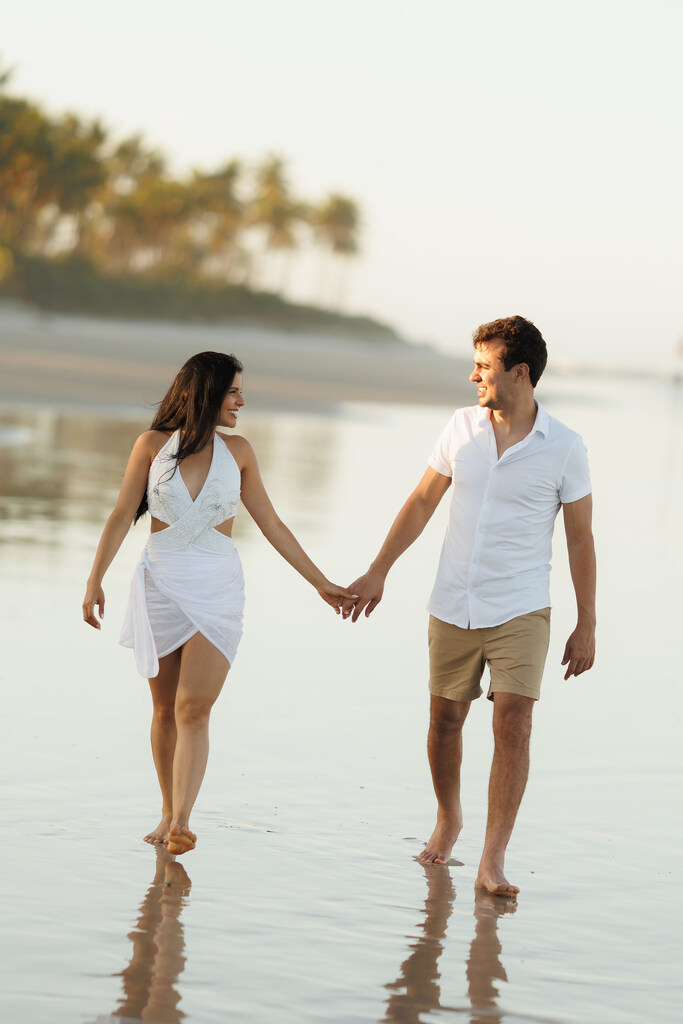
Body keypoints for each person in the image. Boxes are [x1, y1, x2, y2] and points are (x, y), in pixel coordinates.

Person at [342, 316, 596, 897]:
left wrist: (587, 622)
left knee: (513, 722)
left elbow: (580, 539)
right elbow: (422, 501)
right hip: (452, 599)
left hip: (522, 608)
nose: (473, 375)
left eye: (484, 366)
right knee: (445, 721)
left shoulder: (565, 447)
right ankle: (449, 817)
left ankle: (492, 857)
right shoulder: (460, 428)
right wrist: (378, 570)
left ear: (520, 372)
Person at [83, 351, 353, 856]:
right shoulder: (151, 446)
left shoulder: (241, 452)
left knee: (193, 707)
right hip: (160, 583)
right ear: (205, 392)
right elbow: (123, 514)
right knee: (164, 709)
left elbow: (272, 524)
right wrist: (95, 579)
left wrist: (320, 582)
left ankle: (183, 820)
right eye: (233, 392)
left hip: (217, 588)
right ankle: (167, 811)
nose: (242, 401)